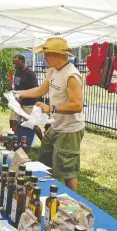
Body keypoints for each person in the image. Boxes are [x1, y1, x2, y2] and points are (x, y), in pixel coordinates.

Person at [16, 37, 85, 192]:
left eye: (47, 54)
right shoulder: (53, 71)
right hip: (56, 125)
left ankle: (71, 202)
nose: (45, 57)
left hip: (69, 130)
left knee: (68, 171)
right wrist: (18, 93)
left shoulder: (72, 75)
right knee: (44, 161)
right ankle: (45, 192)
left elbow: (77, 105)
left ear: (58, 54)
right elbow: (41, 90)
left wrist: (51, 108)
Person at [10, 54, 43, 140]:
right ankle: (15, 143)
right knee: (13, 122)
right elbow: (16, 87)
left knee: (32, 125)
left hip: (28, 104)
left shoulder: (30, 73)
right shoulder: (17, 71)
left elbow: (35, 89)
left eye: (16, 63)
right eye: (14, 63)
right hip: (18, 103)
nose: (14, 66)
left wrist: (22, 97)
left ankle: (44, 141)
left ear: (22, 61)